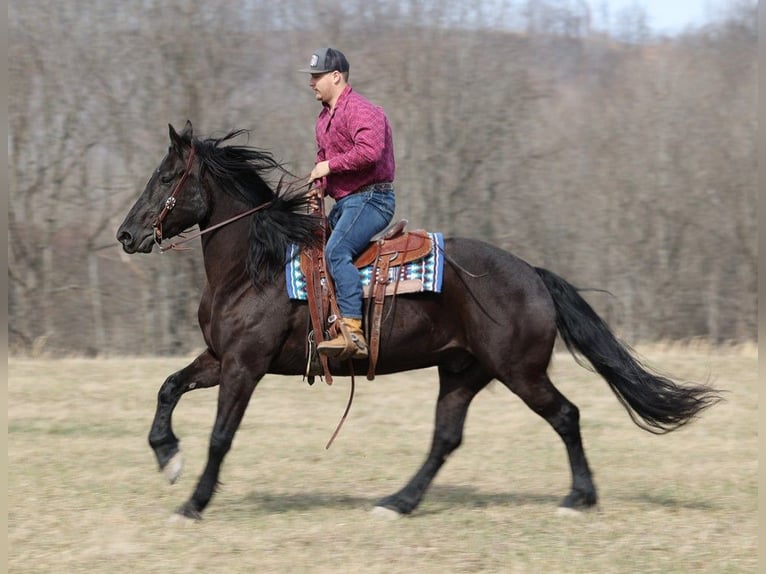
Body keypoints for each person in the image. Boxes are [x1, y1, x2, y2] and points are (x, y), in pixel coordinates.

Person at [299, 47, 396, 360]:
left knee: (336, 251)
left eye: (317, 76)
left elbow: (370, 151)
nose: (312, 82)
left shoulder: (362, 110)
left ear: (336, 76)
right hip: (346, 202)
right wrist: (318, 187)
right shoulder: (323, 119)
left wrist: (328, 168)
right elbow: (322, 159)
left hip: (372, 199)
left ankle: (353, 331)